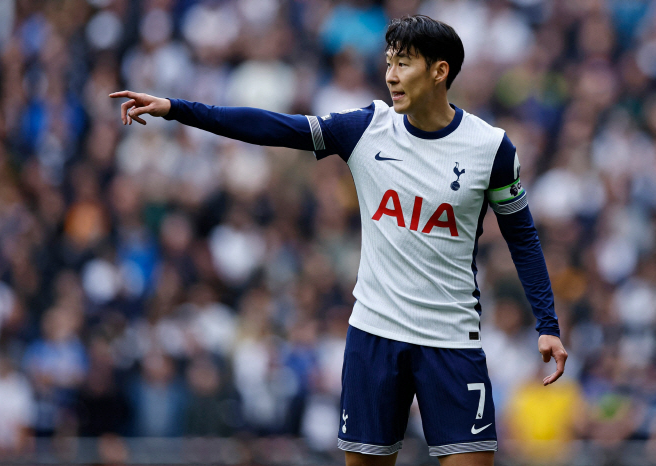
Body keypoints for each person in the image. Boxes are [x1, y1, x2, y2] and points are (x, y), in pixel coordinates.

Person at [110, 14, 568, 466]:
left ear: (439, 70)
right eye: (388, 63)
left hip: (452, 339)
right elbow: (274, 127)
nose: (390, 75)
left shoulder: (490, 148)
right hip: (374, 335)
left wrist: (547, 322)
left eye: (403, 64)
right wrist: (177, 108)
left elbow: (522, 239)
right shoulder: (367, 128)